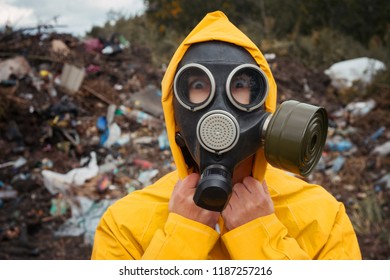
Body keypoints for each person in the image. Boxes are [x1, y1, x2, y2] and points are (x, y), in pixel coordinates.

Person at [91, 11, 361, 260]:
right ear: (175, 110)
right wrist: (183, 235)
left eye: (240, 85)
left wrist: (259, 235)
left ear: (265, 102)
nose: (219, 108)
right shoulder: (123, 227)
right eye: (198, 85)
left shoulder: (322, 218)